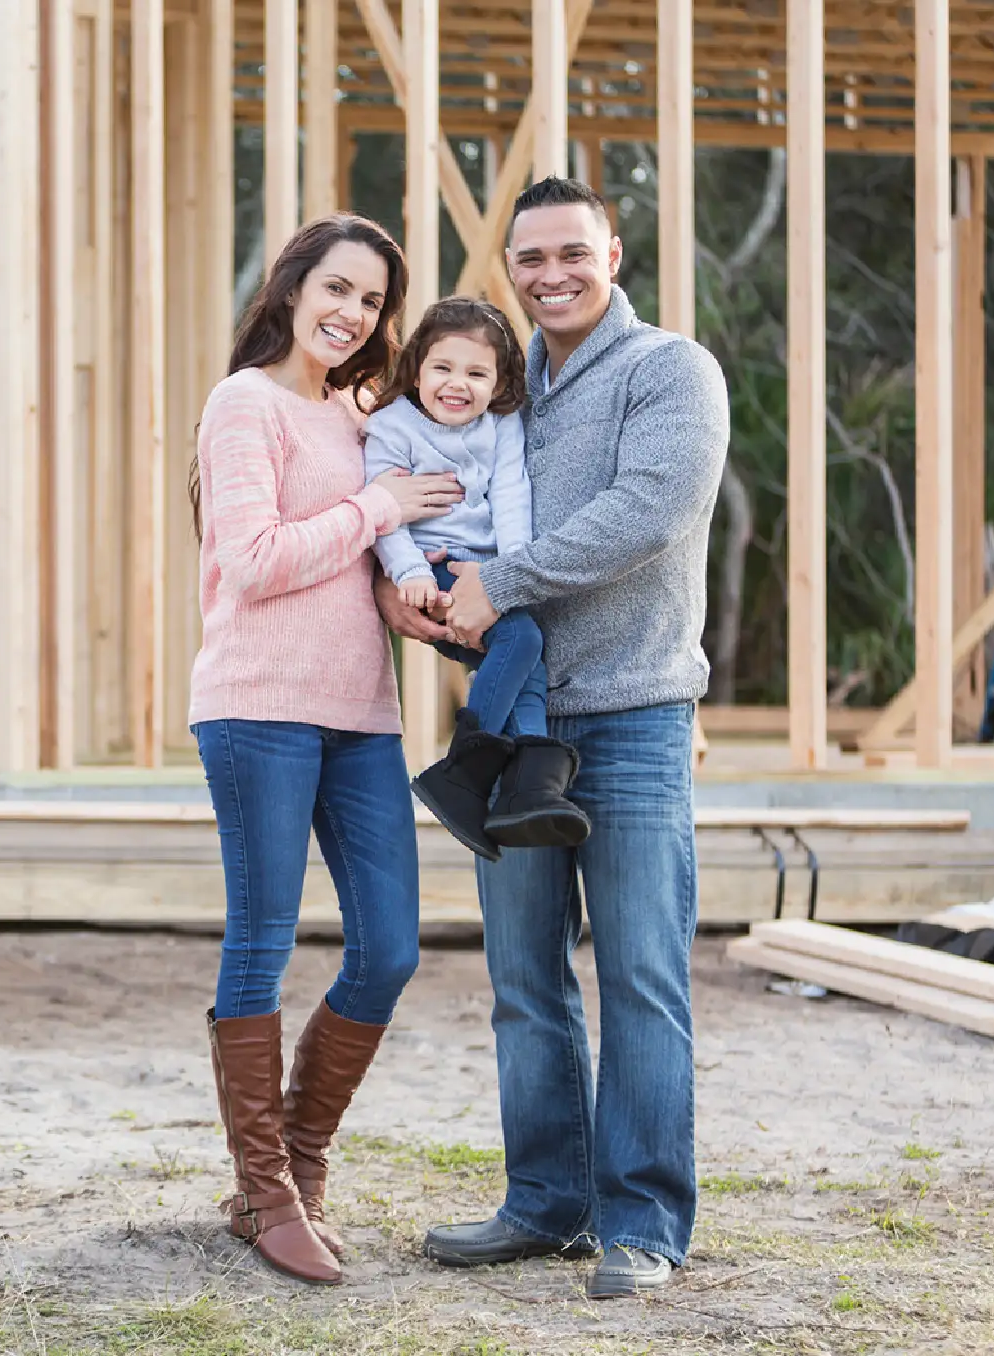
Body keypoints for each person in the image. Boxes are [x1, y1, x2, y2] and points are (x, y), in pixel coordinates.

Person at [377, 177, 730, 1299]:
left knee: (637, 974)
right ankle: (545, 1202)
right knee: (526, 976)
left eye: (572, 252)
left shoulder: (669, 371)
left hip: (628, 716)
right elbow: (454, 536)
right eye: (531, 259)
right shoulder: (497, 391)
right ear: (512, 270)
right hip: (513, 720)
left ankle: (642, 1224)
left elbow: (646, 514)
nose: (552, 274)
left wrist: (497, 583)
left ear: (612, 253)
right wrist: (425, 605)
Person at [187, 213, 464, 1286]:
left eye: (373, 302)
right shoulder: (243, 404)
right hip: (257, 705)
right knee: (260, 936)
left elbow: (360, 561)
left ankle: (299, 1161)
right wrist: (374, 505)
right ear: (293, 285)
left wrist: (417, 598)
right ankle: (266, 1192)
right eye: (338, 289)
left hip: (361, 713)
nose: (353, 315)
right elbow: (252, 562)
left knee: (390, 945)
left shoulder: (362, 417)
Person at [363, 296, 590, 860]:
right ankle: (468, 767)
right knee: (524, 641)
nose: (456, 384)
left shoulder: (500, 425)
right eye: (442, 368)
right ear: (417, 370)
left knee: (522, 652)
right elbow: (382, 510)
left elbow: (511, 494)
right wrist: (410, 571)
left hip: (488, 571)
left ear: (499, 381)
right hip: (430, 564)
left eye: (476, 373)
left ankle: (528, 782)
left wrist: (508, 575)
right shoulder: (393, 426)